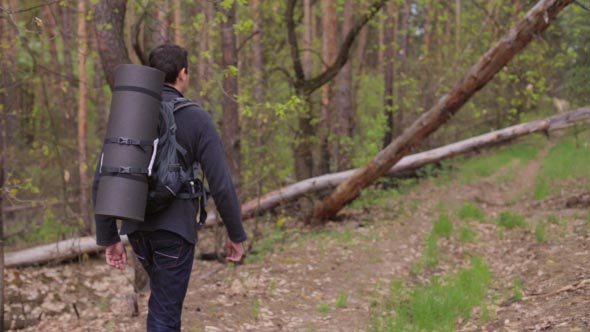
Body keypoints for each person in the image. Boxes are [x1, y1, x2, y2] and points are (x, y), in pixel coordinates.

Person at [92, 44, 247, 332]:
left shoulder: (130, 114)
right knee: (164, 312)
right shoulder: (196, 117)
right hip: (176, 232)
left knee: (162, 304)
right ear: (183, 73)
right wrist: (236, 234)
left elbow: (103, 175)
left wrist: (109, 237)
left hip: (137, 228)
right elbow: (221, 184)